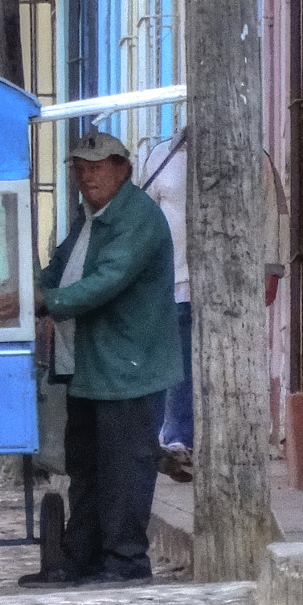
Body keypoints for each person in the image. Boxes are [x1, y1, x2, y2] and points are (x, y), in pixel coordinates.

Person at [8, 131, 182, 587]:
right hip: (88, 367)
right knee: (85, 467)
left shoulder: (136, 218)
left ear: (123, 169)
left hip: (129, 369)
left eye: (98, 167)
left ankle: (125, 563)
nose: (88, 177)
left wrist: (46, 303)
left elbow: (107, 281)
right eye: (81, 169)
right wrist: (28, 293)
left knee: (125, 470)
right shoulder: (88, 219)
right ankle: (79, 560)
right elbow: (61, 269)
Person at [137, 129, 193, 482]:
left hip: (228, 282)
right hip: (175, 280)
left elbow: (269, 208)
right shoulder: (163, 156)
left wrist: (271, 269)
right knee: (179, 362)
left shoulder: (249, 151)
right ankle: (177, 440)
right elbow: (142, 216)